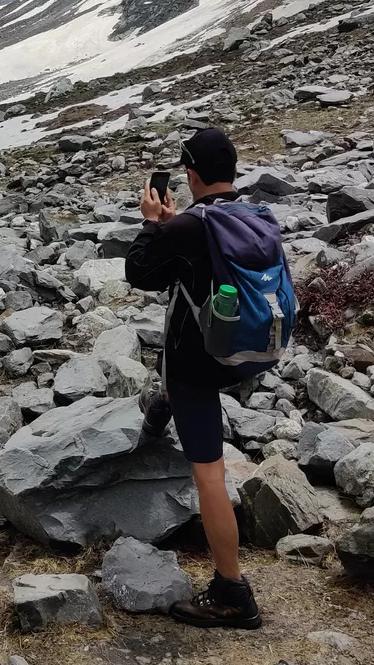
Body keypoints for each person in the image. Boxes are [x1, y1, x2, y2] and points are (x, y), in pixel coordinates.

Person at [124, 127, 262, 630]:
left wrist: (151, 224)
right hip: (248, 351)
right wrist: (172, 224)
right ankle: (161, 408)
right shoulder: (253, 215)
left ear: (191, 174)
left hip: (197, 364)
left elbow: (140, 272)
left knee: (209, 476)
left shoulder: (188, 226)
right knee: (176, 396)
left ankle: (232, 592)